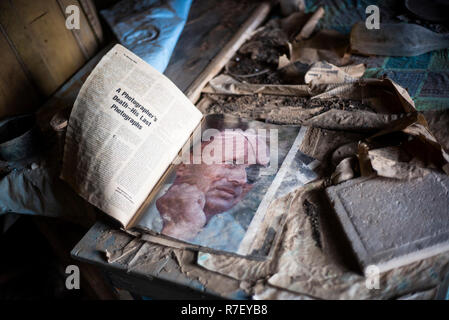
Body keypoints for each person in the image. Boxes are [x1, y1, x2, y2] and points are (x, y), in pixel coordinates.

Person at [156, 130, 269, 240]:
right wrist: (178, 229)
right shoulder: (142, 202)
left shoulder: (235, 240)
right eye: (231, 163)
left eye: (252, 171)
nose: (241, 179)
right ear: (185, 164)